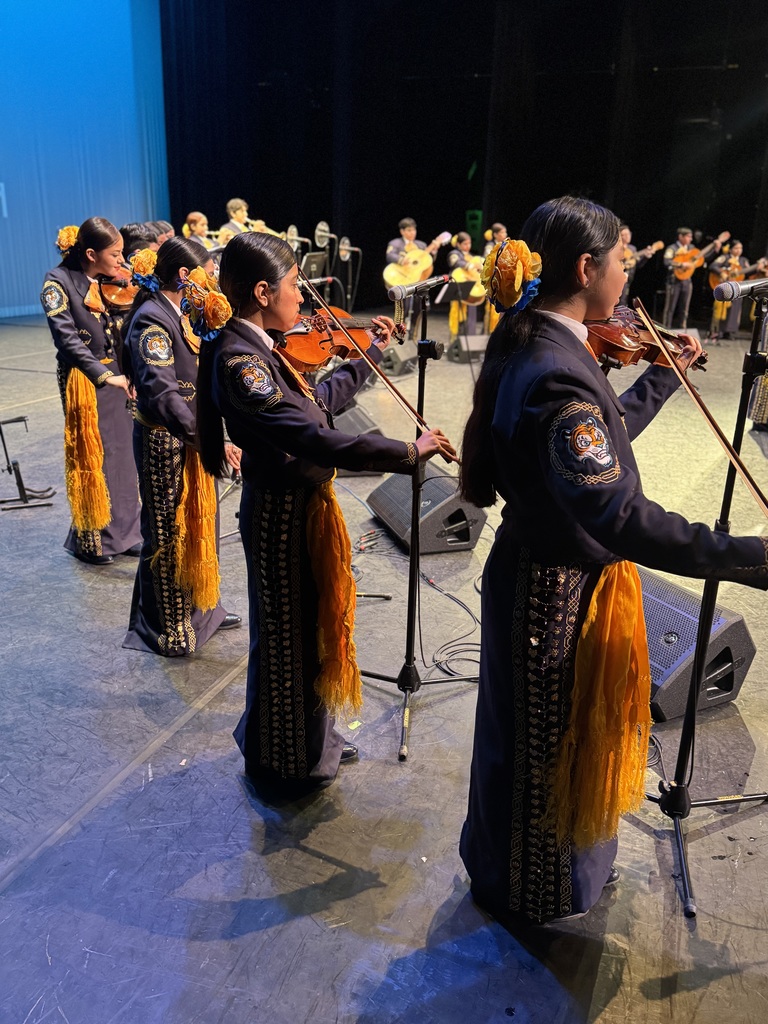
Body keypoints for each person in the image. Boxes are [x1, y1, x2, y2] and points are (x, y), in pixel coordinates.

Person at [458, 195, 768, 927]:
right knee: (542, 752)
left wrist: (660, 374)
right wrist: (751, 557)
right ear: (587, 266)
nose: (630, 267)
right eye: (622, 255)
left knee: (537, 743)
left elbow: (602, 439)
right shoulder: (554, 366)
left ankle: (541, 876)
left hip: (545, 578)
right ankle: (531, 892)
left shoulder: (545, 342)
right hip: (553, 596)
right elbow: (617, 514)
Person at [196, 232, 456, 796]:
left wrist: (370, 355)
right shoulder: (243, 363)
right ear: (263, 292)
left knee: (303, 634)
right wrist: (406, 452)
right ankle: (287, 761)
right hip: (282, 518)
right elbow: (312, 436)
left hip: (298, 512)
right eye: (295, 286)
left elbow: (318, 403)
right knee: (289, 640)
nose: (304, 300)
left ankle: (309, 744)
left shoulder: (261, 346)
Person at [121, 237, 242, 656]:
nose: (213, 281)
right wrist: (208, 438)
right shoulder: (151, 321)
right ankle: (167, 627)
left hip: (188, 436)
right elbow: (162, 394)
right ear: (186, 276)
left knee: (199, 524)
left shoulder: (187, 313)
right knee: (167, 533)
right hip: (163, 439)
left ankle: (202, 611)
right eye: (209, 273)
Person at [40, 218, 142, 564]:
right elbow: (66, 340)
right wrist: (103, 374)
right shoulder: (56, 283)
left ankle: (126, 533)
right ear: (89, 253)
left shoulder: (105, 278)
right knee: (92, 453)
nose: (121, 262)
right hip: (84, 378)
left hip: (117, 374)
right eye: (115, 255)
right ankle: (92, 540)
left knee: (123, 453)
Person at [447, 231, 484, 341]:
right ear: (458, 244)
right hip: (458, 288)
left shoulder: (472, 257)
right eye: (465, 244)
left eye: (469, 243)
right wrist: (471, 265)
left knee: (471, 316)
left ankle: (468, 341)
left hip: (471, 289)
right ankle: (455, 343)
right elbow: (456, 262)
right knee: (457, 315)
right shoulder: (454, 254)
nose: (468, 246)